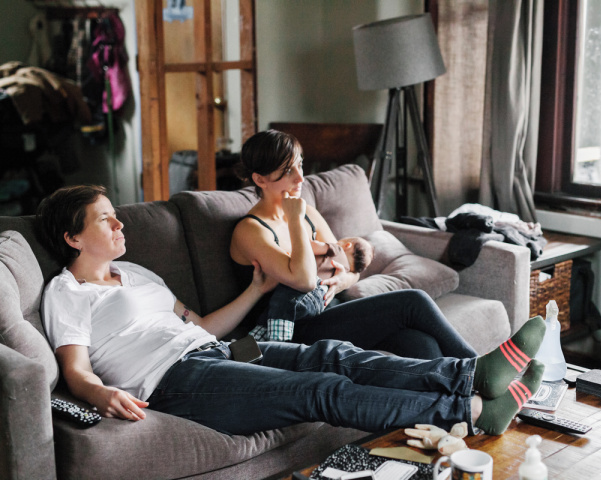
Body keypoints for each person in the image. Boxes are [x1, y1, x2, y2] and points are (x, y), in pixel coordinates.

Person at [37, 185, 547, 437]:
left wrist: (256, 291)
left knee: (336, 355)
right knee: (322, 391)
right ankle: (473, 410)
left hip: (214, 349)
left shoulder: (141, 275)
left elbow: (198, 325)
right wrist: (102, 393)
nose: (120, 225)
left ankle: (470, 373)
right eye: (105, 221)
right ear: (73, 237)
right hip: (175, 381)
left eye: (116, 217)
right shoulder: (67, 292)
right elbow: (75, 370)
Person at [230, 129, 475, 359]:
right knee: (413, 301)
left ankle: (462, 397)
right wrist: (294, 219)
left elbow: (350, 269)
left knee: (418, 343)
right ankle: (476, 367)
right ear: (260, 179)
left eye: (300, 164)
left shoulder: (309, 214)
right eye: (287, 171)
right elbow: (303, 280)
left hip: (332, 309)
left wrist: (340, 283)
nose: (300, 178)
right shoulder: (251, 230)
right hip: (292, 329)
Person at [250, 236, 374, 342]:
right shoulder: (345, 270)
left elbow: (308, 247)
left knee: (282, 301)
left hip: (308, 289)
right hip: (320, 303)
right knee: (275, 313)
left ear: (347, 245)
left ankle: (277, 344)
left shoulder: (337, 249)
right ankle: (253, 342)